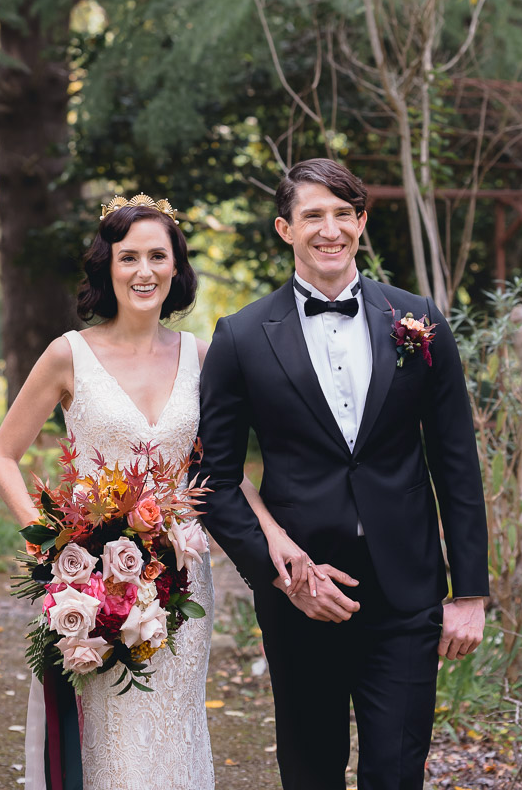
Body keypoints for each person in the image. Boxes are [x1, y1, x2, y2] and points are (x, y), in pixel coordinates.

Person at [0, 194, 306, 790]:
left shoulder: (203, 358)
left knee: (173, 733)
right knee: (109, 740)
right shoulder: (69, 354)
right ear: (107, 267)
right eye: (128, 256)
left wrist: (274, 531)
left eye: (158, 256)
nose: (144, 270)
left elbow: (224, 471)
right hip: (95, 585)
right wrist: (51, 547)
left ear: (176, 268)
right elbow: (2, 456)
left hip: (184, 583)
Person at [198, 159, 490, 790]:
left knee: (396, 771)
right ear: (285, 229)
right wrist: (280, 576)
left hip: (408, 592)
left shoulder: (420, 321)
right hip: (301, 593)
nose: (328, 230)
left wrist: (469, 593)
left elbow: (456, 462)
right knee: (311, 772)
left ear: (360, 222)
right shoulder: (242, 336)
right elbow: (213, 479)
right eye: (311, 216)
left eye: (341, 214)